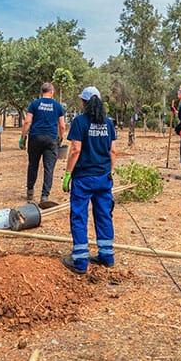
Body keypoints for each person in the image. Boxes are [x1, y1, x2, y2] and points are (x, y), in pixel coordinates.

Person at [60, 86, 117, 275]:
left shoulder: (80, 122)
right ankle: (107, 256)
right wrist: (110, 171)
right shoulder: (108, 123)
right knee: (104, 215)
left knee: (79, 217)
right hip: (103, 177)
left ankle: (80, 261)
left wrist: (68, 173)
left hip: (84, 178)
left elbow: (75, 149)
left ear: (83, 103)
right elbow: (113, 151)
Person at [20, 82, 66, 204]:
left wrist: (22, 137)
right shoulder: (57, 106)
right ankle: (44, 196)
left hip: (35, 138)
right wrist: (60, 138)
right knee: (49, 168)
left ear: (42, 92)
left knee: (33, 165)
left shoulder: (34, 104)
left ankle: (30, 193)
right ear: (51, 92)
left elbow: (27, 122)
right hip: (51, 139)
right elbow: (62, 125)